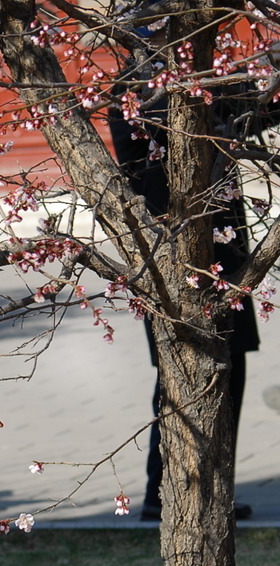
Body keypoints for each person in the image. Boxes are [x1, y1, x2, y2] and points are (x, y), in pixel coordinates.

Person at [108, 15, 280, 521]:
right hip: (173, 251)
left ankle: (210, 488)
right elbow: (191, 117)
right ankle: (167, 491)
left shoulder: (203, 79)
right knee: (183, 370)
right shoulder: (138, 90)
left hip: (225, 249)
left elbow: (248, 111)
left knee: (232, 366)